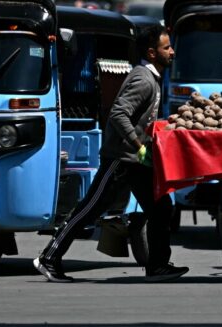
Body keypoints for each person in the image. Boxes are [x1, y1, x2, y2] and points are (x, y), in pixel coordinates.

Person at [33, 24, 188, 282]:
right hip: (121, 159)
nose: (172, 52)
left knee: (161, 207)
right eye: (167, 47)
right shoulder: (143, 79)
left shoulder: (153, 78)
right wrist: (138, 145)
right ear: (151, 53)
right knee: (90, 209)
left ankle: (158, 266)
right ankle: (49, 258)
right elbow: (118, 113)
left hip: (136, 162)